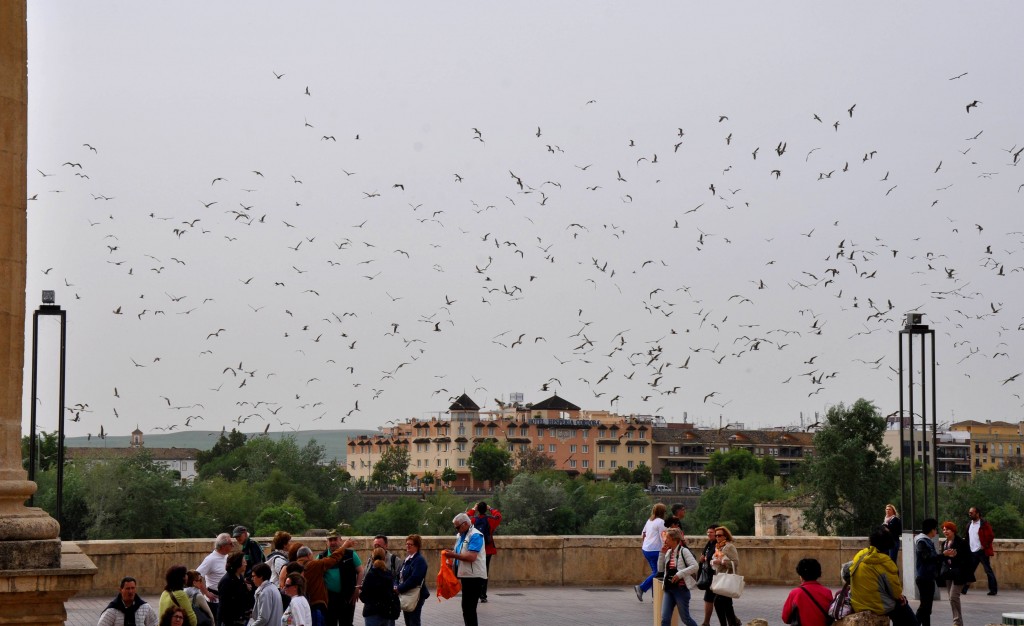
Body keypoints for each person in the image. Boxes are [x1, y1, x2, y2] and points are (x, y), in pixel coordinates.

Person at [842, 526, 916, 626]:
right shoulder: (885, 562)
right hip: (877, 606)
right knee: (908, 615)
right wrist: (900, 597)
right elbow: (896, 591)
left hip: (857, 603)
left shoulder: (860, 554)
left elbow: (846, 573)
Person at [444, 512, 486, 626]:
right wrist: (452, 557)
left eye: (458, 527)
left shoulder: (476, 535)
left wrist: (453, 555)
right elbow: (460, 553)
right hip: (466, 575)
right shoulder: (461, 535)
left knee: (469, 608)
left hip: (475, 576)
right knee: (466, 608)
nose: (457, 530)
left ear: (466, 524)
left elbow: (471, 556)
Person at [316, 531, 363, 626]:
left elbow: (360, 571)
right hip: (329, 598)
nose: (333, 542)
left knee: (346, 623)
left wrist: (357, 588)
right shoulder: (321, 557)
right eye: (330, 540)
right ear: (327, 542)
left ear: (340, 541)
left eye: (335, 539)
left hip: (347, 597)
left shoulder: (351, 554)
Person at [296, 542, 348, 626]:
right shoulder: (313, 565)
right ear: (309, 555)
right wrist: (344, 547)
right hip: (315, 605)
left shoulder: (292, 566)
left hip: (299, 605)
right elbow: (332, 559)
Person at [658, 528, 699, 626]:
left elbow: (695, 566)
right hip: (669, 589)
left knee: (686, 619)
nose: (665, 540)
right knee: (665, 619)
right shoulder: (668, 552)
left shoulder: (684, 551)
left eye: (667, 538)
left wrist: (679, 574)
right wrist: (662, 554)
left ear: (674, 539)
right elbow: (660, 569)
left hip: (681, 589)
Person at [938, 521, 974, 626]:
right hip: (949, 574)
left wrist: (955, 557)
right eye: (943, 529)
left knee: (954, 596)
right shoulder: (944, 543)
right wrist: (945, 556)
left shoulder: (961, 543)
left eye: (947, 529)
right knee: (951, 598)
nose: (945, 531)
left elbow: (968, 559)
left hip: (960, 573)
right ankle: (957, 621)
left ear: (953, 530)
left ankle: (957, 622)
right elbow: (944, 558)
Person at [782, 558, 833, 626]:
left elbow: (785, 618)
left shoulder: (795, 593)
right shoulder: (827, 592)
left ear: (801, 576)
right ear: (818, 574)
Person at [196, 533, 235, 623]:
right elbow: (197, 575)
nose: (233, 546)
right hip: (215, 601)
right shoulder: (211, 559)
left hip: (227, 599)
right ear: (223, 546)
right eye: (230, 544)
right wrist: (206, 592)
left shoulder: (226, 557)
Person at [634, 502, 667, 601]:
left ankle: (655, 596)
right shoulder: (661, 522)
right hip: (655, 550)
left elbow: (643, 534)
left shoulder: (650, 521)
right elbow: (663, 537)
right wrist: (665, 548)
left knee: (655, 572)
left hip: (646, 549)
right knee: (658, 572)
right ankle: (641, 588)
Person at [470, 501, 501, 603]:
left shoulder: (473, 520)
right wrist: (491, 508)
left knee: (475, 571)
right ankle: (483, 595)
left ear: (478, 509)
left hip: (476, 549)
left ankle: (474, 593)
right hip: (487, 549)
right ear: (485, 509)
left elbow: (464, 518)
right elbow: (498, 516)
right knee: (484, 571)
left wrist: (473, 509)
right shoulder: (490, 520)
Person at [395, 534, 430, 626]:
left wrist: (399, 588)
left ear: (417, 546)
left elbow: (415, 579)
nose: (408, 546)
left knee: (413, 621)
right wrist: (395, 585)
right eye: (407, 544)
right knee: (408, 621)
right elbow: (398, 575)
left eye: (411, 544)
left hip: (415, 594)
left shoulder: (419, 560)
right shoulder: (408, 559)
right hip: (406, 593)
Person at [710, 526, 741, 626]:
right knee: (727, 605)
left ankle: (727, 623)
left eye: (719, 535)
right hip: (720, 577)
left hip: (726, 579)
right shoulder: (718, 547)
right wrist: (713, 562)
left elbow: (735, 562)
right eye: (716, 535)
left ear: (725, 536)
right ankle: (733, 623)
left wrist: (722, 562)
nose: (717, 537)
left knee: (719, 603)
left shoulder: (729, 546)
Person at [359, 547, 398, 626]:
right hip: (386, 612)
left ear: (372, 558)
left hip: (372, 612)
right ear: (385, 558)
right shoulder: (389, 574)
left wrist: (361, 591)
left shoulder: (370, 574)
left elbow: (364, 596)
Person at [913, 519, 941, 626]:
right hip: (924, 577)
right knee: (924, 607)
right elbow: (927, 557)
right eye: (935, 529)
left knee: (927, 608)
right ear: (932, 529)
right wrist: (943, 556)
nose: (936, 531)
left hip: (928, 577)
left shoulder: (927, 540)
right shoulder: (922, 541)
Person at [965, 506, 997, 595]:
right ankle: (964, 589)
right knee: (969, 571)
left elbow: (991, 536)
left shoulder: (984, 524)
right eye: (969, 513)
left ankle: (993, 590)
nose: (970, 514)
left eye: (972, 513)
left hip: (982, 552)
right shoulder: (969, 524)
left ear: (977, 514)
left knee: (988, 571)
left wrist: (985, 545)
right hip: (972, 552)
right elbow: (967, 538)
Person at [219, 551, 254, 626]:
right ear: (238, 564)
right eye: (244, 562)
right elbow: (224, 606)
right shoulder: (226, 581)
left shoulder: (240, 577)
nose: (246, 564)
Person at [698, 525, 718, 626]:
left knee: (712, 599)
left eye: (711, 532)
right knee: (718, 601)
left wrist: (706, 559)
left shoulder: (718, 545)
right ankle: (706, 622)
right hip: (710, 575)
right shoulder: (709, 544)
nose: (709, 534)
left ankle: (706, 622)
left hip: (715, 576)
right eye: (708, 532)